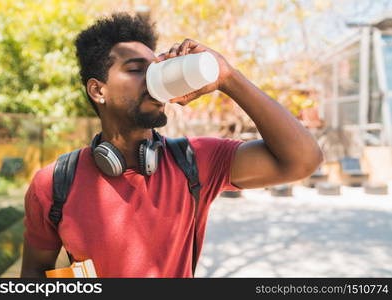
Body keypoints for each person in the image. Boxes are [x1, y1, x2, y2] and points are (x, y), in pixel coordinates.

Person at [20, 12, 323, 278]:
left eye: (156, 68)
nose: (153, 80)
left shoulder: (195, 160)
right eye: (137, 69)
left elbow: (303, 160)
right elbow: (34, 271)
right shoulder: (53, 183)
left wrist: (228, 77)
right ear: (98, 90)